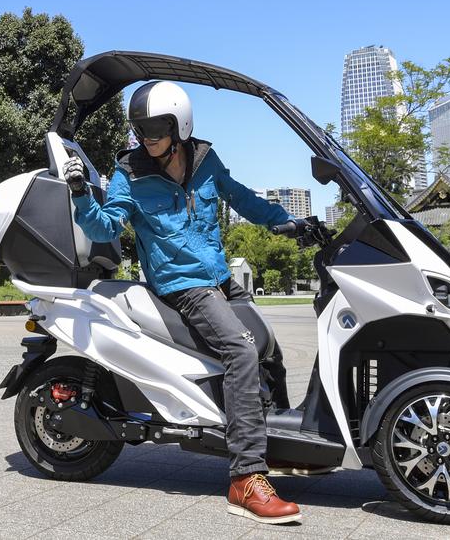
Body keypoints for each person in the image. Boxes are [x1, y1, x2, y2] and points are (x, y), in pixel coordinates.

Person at [63, 80, 310, 525]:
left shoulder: (205, 160)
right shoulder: (130, 174)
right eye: (140, 129)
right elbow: (105, 227)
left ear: (180, 126)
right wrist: (81, 194)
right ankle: (245, 477)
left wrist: (285, 222)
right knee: (239, 348)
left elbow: (242, 197)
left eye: (155, 128)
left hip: (218, 276)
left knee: (269, 349)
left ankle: (279, 447)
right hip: (182, 284)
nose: (146, 138)